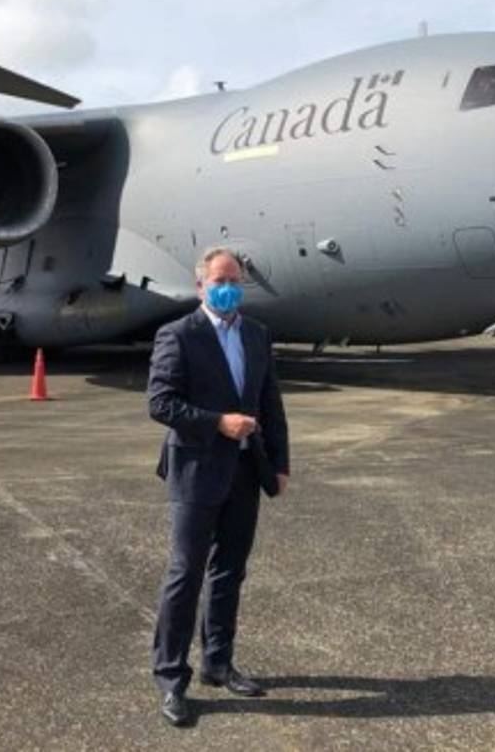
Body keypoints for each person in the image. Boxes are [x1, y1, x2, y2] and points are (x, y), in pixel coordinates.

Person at [147, 247, 290, 728]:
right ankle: (171, 678)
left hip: (246, 471)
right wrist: (218, 423)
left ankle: (218, 662)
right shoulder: (178, 334)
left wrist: (281, 463)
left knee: (230, 570)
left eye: (235, 280)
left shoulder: (256, 334)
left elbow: (270, 402)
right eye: (219, 279)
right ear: (201, 284)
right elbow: (161, 404)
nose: (229, 287)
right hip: (195, 469)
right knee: (185, 574)